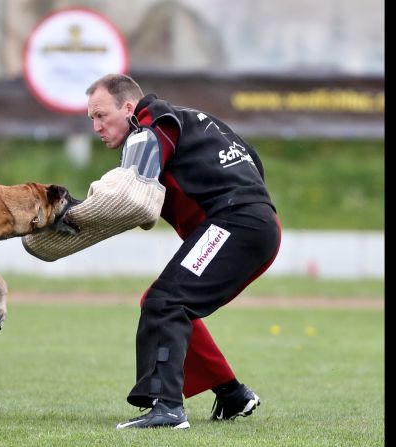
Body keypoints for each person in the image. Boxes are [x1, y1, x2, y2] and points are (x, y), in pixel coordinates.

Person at [84, 74, 282, 430]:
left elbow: (129, 196)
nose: (96, 126)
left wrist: (69, 218)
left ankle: (167, 408)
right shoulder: (191, 120)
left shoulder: (154, 122)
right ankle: (232, 394)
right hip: (253, 222)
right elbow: (251, 159)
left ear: (129, 108)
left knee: (166, 303)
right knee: (164, 302)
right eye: (91, 119)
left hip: (236, 223)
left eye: (101, 115)